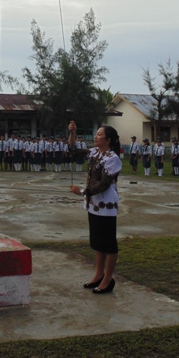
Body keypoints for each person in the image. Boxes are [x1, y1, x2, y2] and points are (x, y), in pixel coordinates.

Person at [68, 121, 122, 295]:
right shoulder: (94, 153)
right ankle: (99, 274)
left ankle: (108, 278)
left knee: (108, 243)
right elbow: (73, 151)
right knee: (97, 242)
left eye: (99, 134)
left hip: (106, 204)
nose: (96, 136)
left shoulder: (112, 158)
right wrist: (73, 133)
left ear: (108, 140)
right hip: (94, 204)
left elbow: (104, 184)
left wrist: (83, 191)